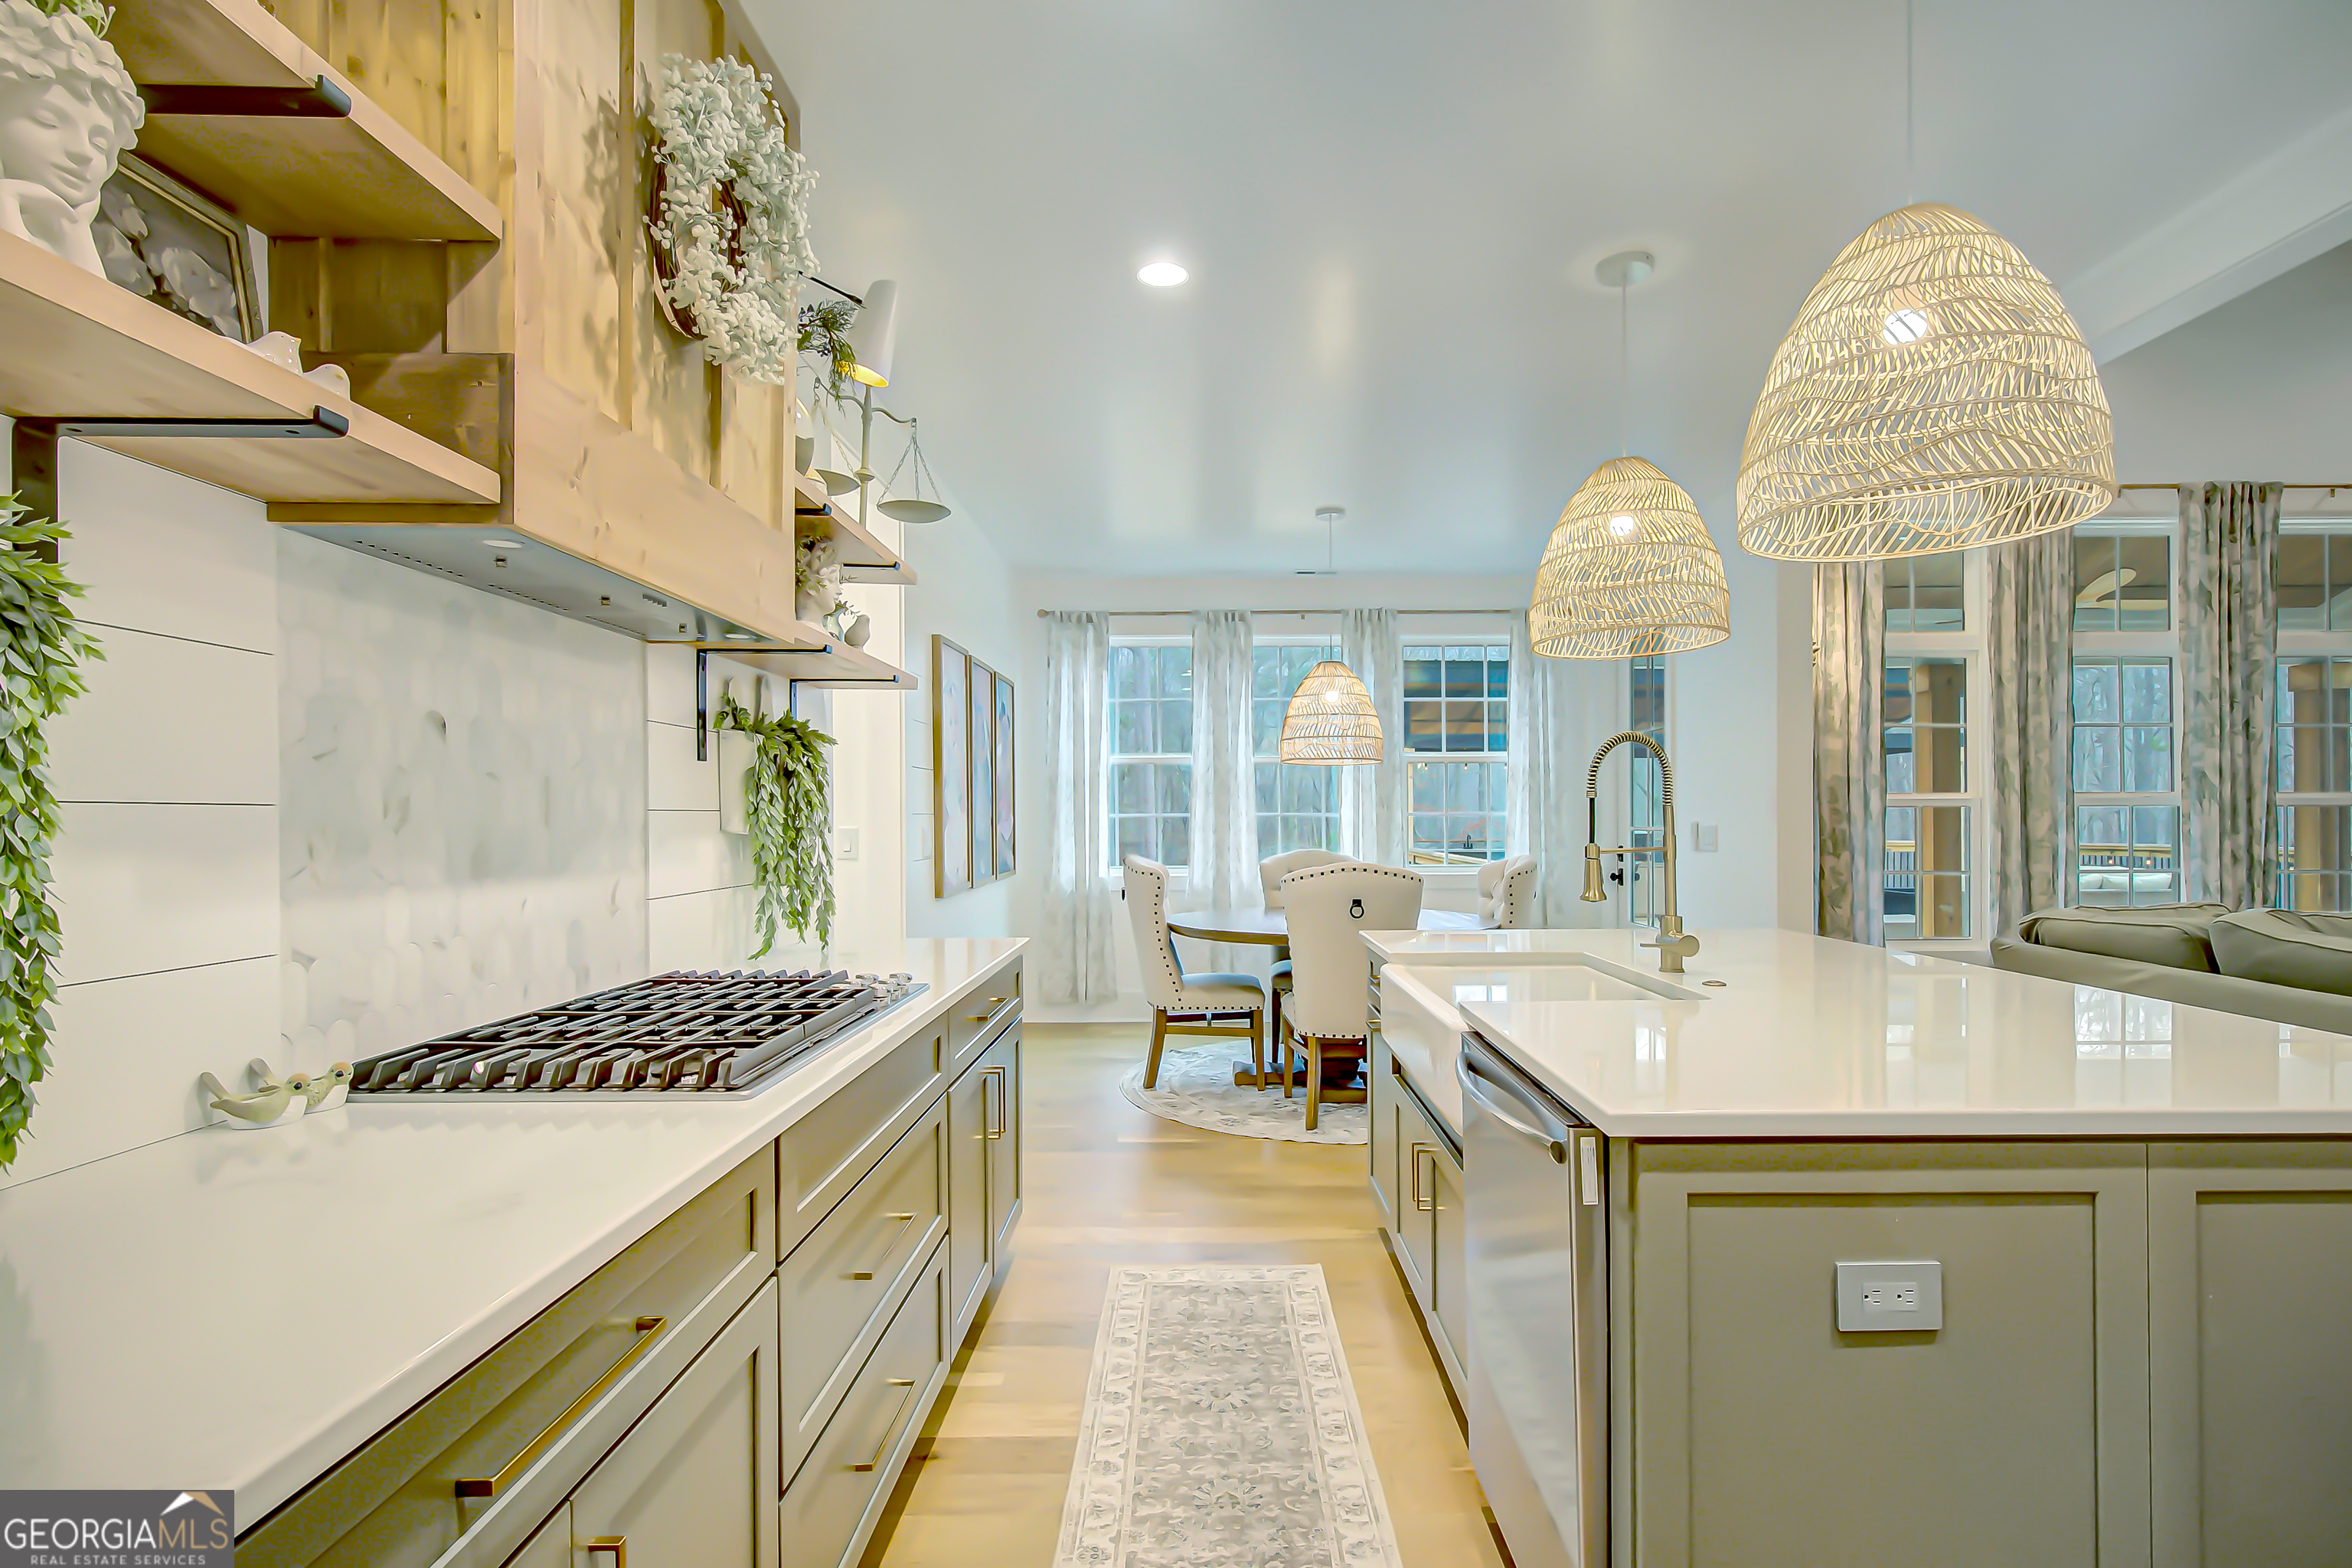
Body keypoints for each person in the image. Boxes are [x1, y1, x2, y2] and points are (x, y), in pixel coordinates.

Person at [0, 0, 144, 276]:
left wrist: (76, 231)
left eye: (99, 143)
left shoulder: (65, 230)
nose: (83, 152)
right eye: (48, 122)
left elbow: (93, 312)